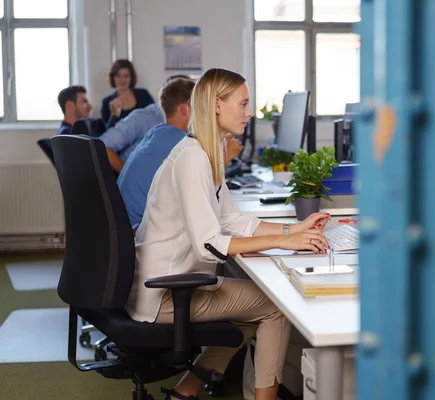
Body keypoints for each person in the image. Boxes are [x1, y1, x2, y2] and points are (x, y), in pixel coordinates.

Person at [126, 68, 330, 400]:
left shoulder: (206, 152)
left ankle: (183, 394)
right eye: (244, 103)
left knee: (252, 311)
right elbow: (210, 244)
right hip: (163, 294)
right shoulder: (192, 158)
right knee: (275, 305)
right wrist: (283, 241)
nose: (250, 113)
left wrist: (295, 229)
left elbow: (233, 220)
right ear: (217, 105)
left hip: (164, 283)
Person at [118, 77, 243, 228]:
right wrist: (227, 155)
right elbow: (208, 189)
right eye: (200, 106)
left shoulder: (158, 134)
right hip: (139, 232)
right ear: (185, 109)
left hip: (128, 227)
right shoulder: (181, 143)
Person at [99, 75, 191, 173]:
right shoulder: (143, 118)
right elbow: (102, 146)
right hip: (130, 182)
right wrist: (128, 174)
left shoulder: (186, 125)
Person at [101, 59, 154, 127]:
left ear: (131, 78)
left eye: (126, 76)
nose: (122, 80)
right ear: (113, 78)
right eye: (118, 76)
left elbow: (155, 118)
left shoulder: (143, 95)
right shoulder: (106, 102)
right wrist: (114, 115)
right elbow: (109, 134)